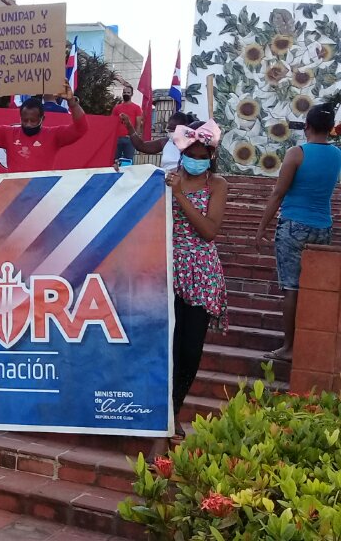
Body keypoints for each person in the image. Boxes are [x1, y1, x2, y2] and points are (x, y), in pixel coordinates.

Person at [154, 120, 228, 456]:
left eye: (202, 154)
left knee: (190, 350)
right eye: (190, 154)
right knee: (167, 347)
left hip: (200, 273)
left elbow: (209, 231)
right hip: (167, 270)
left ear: (211, 155)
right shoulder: (167, 179)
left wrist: (181, 196)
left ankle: (173, 412)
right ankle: (164, 418)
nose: (195, 159)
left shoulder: (217, 185)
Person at [256, 104, 341, 362]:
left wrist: (261, 228)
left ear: (307, 127)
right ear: (329, 129)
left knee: (292, 288)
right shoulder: (337, 155)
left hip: (293, 226)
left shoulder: (297, 153)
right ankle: (312, 345)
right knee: (313, 288)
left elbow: (278, 193)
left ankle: (290, 347)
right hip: (323, 227)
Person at [0, 82, 88, 173]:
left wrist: (72, 102)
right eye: (25, 120)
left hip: (41, 197)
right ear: (20, 118)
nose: (28, 124)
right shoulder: (8, 133)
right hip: (14, 196)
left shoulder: (53, 135)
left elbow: (81, 128)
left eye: (33, 121)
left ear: (42, 119)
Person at [121, 111, 196, 171]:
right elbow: (141, 146)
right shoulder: (165, 142)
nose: (171, 132)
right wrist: (129, 126)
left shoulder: (194, 143)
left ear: (185, 127)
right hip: (167, 182)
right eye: (169, 129)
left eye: (174, 130)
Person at [111, 85, 142, 164]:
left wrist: (135, 138)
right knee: (114, 161)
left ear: (132, 94)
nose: (126, 94)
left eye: (128, 92)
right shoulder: (117, 108)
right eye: (124, 92)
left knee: (128, 162)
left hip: (129, 139)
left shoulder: (137, 108)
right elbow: (112, 123)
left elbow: (138, 124)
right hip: (117, 139)